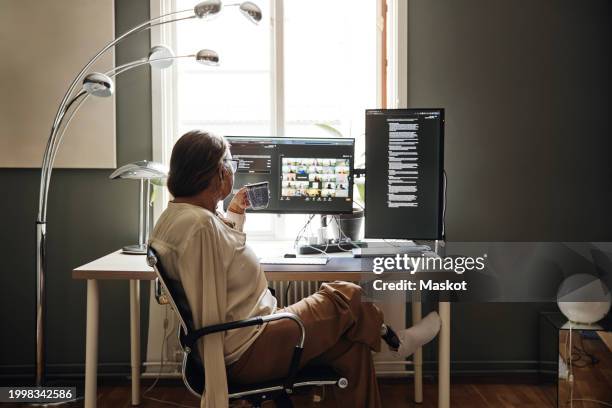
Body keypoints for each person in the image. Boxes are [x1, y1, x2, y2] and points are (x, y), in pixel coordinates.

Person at [149, 130, 441, 408]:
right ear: (216, 173)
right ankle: (396, 340)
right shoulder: (200, 226)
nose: (232, 170)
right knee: (347, 294)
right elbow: (209, 311)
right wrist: (217, 385)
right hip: (247, 348)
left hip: (254, 333)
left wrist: (234, 213)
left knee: (352, 349)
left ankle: (390, 338)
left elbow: (218, 257)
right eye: (229, 163)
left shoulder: (180, 216)